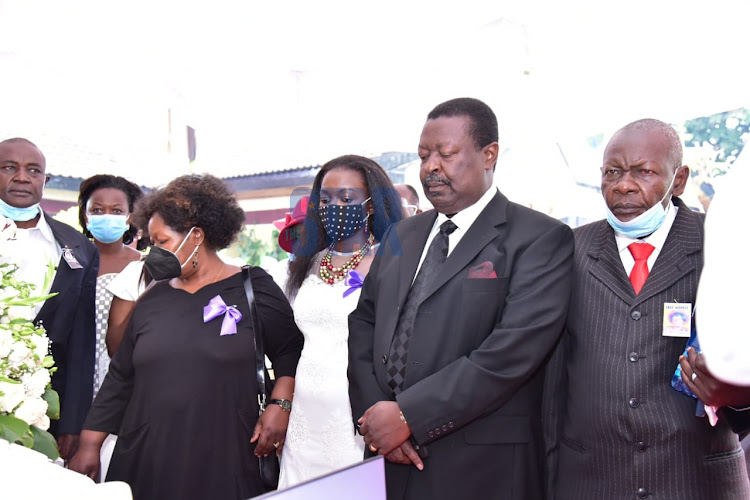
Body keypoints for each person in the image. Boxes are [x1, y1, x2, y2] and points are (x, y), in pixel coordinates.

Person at [348, 98, 574, 500]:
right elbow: (364, 323)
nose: (430, 167)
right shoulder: (401, 235)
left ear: (489, 155)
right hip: (390, 459)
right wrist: (378, 418)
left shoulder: (539, 238)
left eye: (447, 154)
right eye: (423, 156)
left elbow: (510, 353)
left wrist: (409, 415)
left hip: (480, 465)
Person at [545, 119, 750, 499]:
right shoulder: (567, 250)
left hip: (695, 482)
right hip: (592, 481)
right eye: (612, 172)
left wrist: (737, 396)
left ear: (679, 179)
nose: (623, 185)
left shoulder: (723, 246)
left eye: (644, 172)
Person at [69, 174, 304, 499]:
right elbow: (120, 377)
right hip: (149, 454)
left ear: (196, 236)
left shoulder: (253, 287)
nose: (154, 252)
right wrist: (89, 444)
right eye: (151, 243)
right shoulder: (152, 297)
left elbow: (290, 350)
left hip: (227, 450)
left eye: (162, 242)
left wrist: (280, 405)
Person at [278, 155, 403, 488]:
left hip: (356, 414)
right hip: (304, 415)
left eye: (346, 199)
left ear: (371, 205)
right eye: (325, 200)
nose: (334, 206)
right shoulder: (305, 263)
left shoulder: (389, 262)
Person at [0, 137, 98, 463]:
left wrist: (72, 423)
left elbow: (81, 343)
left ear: (46, 180)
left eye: (33, 170)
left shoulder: (78, 247)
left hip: (40, 411)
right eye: (9, 168)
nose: (22, 177)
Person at [77, 174, 143, 397]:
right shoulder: (69, 260)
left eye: (116, 211)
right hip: (75, 373)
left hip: (127, 380)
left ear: (129, 217)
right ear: (86, 217)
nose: (106, 216)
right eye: (97, 210)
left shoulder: (145, 266)